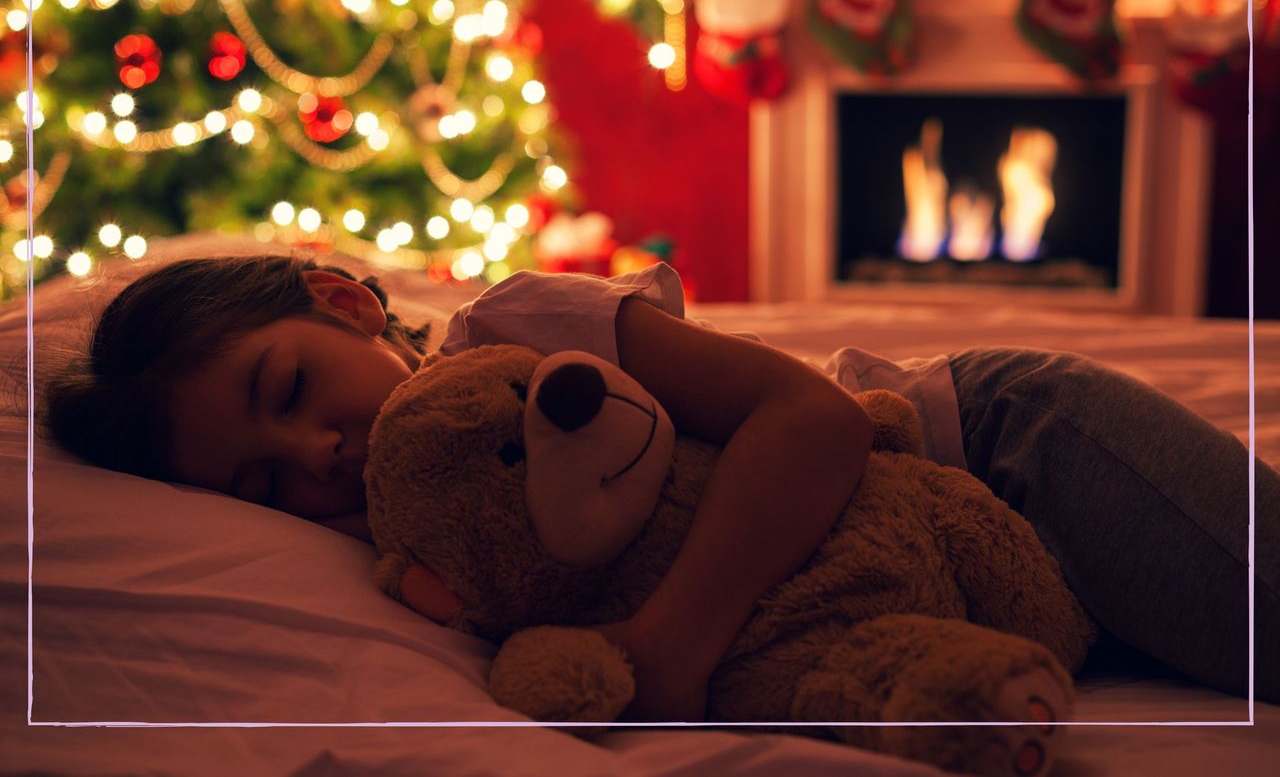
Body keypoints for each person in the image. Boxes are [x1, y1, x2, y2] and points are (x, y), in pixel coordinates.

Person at [43, 254, 1279, 718]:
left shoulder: (514, 335)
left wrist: (674, 644)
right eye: (263, 476)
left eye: (290, 389)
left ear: (344, 300)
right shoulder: (428, 543)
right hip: (985, 589)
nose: (315, 452)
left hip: (1005, 454)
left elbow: (810, 419)